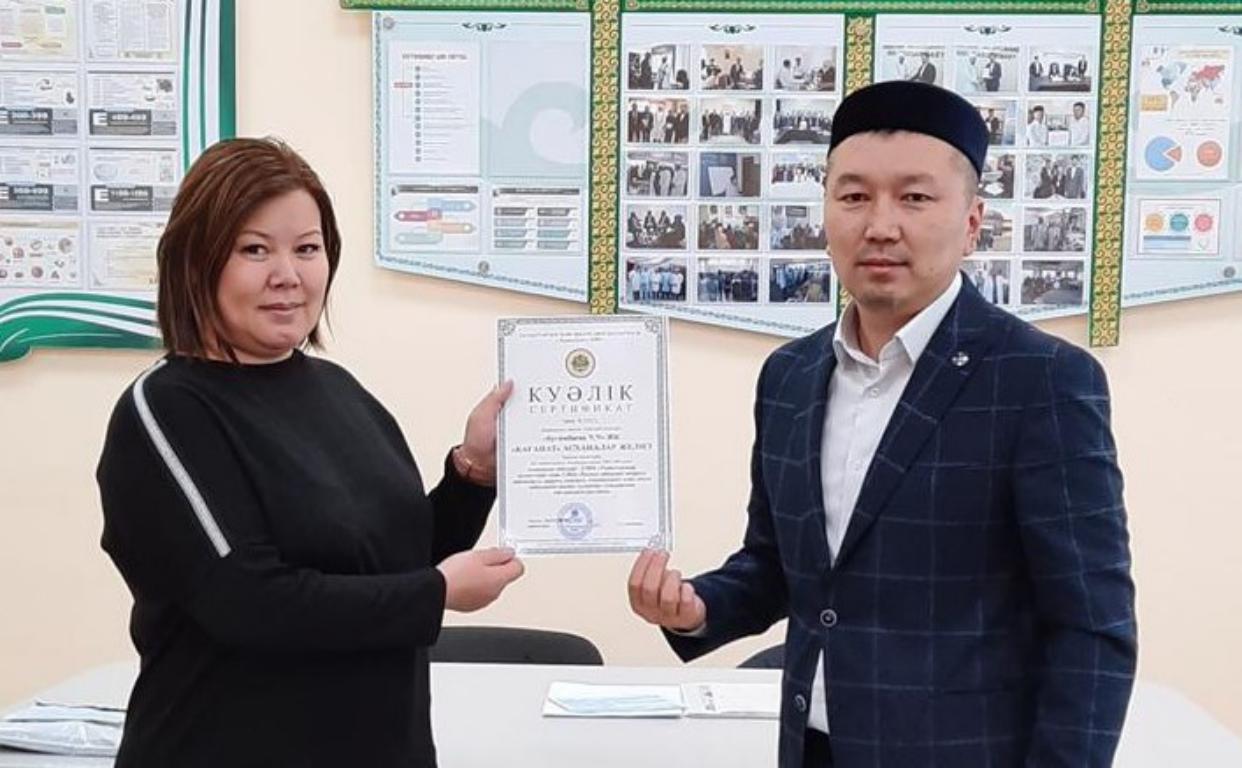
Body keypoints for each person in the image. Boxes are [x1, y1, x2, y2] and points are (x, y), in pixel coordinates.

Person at [627, 81, 1135, 768]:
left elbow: (1092, 628)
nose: (881, 225)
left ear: (973, 222)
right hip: (810, 749)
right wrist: (697, 608)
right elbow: (779, 565)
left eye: (915, 198)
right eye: (855, 197)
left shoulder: (1041, 379)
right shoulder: (790, 376)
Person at [95, 138, 525, 767]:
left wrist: (473, 473)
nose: (288, 276)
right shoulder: (165, 410)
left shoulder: (337, 389)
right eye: (254, 250)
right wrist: (435, 594)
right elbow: (250, 602)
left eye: (307, 248)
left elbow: (394, 559)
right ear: (196, 260)